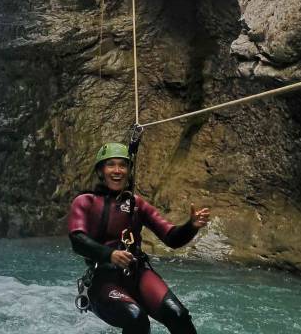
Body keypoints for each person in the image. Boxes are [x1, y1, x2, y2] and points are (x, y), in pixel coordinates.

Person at [68, 142, 210, 334]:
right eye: (111, 165)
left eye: (123, 165)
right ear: (100, 171)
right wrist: (110, 255)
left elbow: (171, 238)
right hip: (103, 279)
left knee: (178, 315)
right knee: (136, 318)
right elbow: (77, 240)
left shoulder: (137, 205)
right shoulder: (85, 201)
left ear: (129, 171)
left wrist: (191, 226)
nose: (117, 170)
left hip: (137, 274)